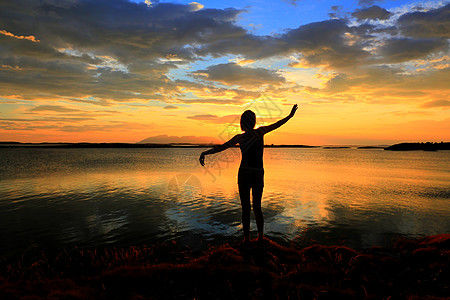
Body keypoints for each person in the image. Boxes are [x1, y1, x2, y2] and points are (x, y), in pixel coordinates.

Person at [199, 104, 298, 244]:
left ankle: (247, 240)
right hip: (257, 173)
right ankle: (261, 238)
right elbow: (277, 124)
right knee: (257, 207)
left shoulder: (240, 137)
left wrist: (205, 153)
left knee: (246, 208)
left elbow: (222, 147)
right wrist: (289, 116)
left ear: (243, 123)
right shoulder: (259, 132)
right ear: (253, 122)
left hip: (244, 173)